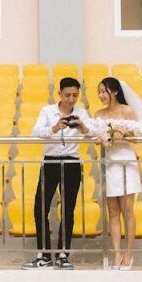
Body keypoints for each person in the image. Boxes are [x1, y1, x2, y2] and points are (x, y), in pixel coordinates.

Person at [22, 77, 91, 270]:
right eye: (67, 95)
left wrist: (83, 126)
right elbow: (35, 131)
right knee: (40, 208)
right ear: (59, 93)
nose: (71, 99)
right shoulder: (47, 111)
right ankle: (44, 254)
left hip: (72, 163)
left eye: (75, 95)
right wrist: (54, 128)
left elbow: (92, 133)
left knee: (68, 210)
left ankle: (63, 254)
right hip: (50, 162)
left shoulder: (82, 112)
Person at [88, 77, 142, 270]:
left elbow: (138, 138)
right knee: (113, 211)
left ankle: (128, 254)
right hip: (109, 163)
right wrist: (103, 138)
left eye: (104, 91)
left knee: (128, 210)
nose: (101, 95)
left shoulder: (127, 111)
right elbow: (96, 139)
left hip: (126, 161)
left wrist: (123, 134)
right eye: (99, 92)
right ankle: (116, 254)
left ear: (114, 92)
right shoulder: (98, 114)